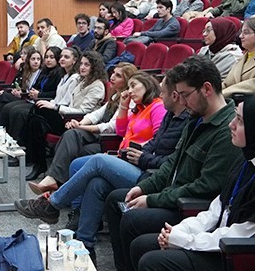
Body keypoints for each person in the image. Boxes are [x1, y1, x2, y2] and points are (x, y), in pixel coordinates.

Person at [14, 70, 189, 262]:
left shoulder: (163, 111)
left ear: (173, 95)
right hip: (136, 160)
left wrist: (142, 157)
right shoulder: (165, 115)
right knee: (95, 181)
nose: (160, 95)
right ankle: (85, 245)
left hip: (150, 174)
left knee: (96, 161)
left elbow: (170, 161)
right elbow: (146, 141)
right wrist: (129, 144)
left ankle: (52, 204)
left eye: (163, 92)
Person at [131, 96, 255, 271]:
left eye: (240, 121)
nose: (231, 124)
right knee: (141, 245)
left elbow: (243, 235)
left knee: (153, 261)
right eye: (235, 116)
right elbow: (217, 208)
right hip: (219, 240)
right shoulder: (248, 158)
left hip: (240, 255)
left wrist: (186, 241)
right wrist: (181, 230)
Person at [105, 55, 242, 271]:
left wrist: (152, 199)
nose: (183, 102)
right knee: (116, 199)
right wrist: (143, 188)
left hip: (189, 207)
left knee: (132, 220)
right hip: (173, 194)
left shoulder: (226, 130)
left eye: (186, 95)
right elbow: (171, 165)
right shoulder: (195, 118)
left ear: (206, 89)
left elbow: (206, 187)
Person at [31, 63, 139, 192]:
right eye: (113, 73)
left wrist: (84, 128)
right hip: (98, 133)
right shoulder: (116, 95)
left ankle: (55, 183)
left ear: (127, 80)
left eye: (118, 75)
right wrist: (82, 124)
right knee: (71, 135)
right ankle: (54, 183)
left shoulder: (128, 99)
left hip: (109, 139)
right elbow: (97, 114)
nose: (113, 77)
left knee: (75, 146)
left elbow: (111, 127)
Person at [20, 50, 107, 180]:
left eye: (87, 65)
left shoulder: (97, 86)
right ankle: (40, 165)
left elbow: (83, 111)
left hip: (78, 121)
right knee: (36, 122)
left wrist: (56, 107)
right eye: (81, 64)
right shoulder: (82, 81)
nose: (82, 67)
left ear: (95, 67)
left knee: (38, 109)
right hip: (67, 117)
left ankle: (22, 144)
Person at [0, 46, 65, 147]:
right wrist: (32, 92)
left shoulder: (58, 73)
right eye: (47, 57)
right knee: (8, 108)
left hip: (46, 104)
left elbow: (56, 93)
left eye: (52, 57)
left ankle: (17, 146)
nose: (48, 60)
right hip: (36, 100)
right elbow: (36, 87)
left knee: (18, 112)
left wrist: (39, 94)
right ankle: (3, 140)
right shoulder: (46, 72)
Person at [0, 47, 41, 122]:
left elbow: (34, 91)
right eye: (33, 59)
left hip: (26, 98)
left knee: (4, 98)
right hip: (18, 95)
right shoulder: (24, 69)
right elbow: (14, 84)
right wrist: (8, 90)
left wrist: (21, 93)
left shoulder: (41, 74)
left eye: (38, 59)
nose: (36, 62)